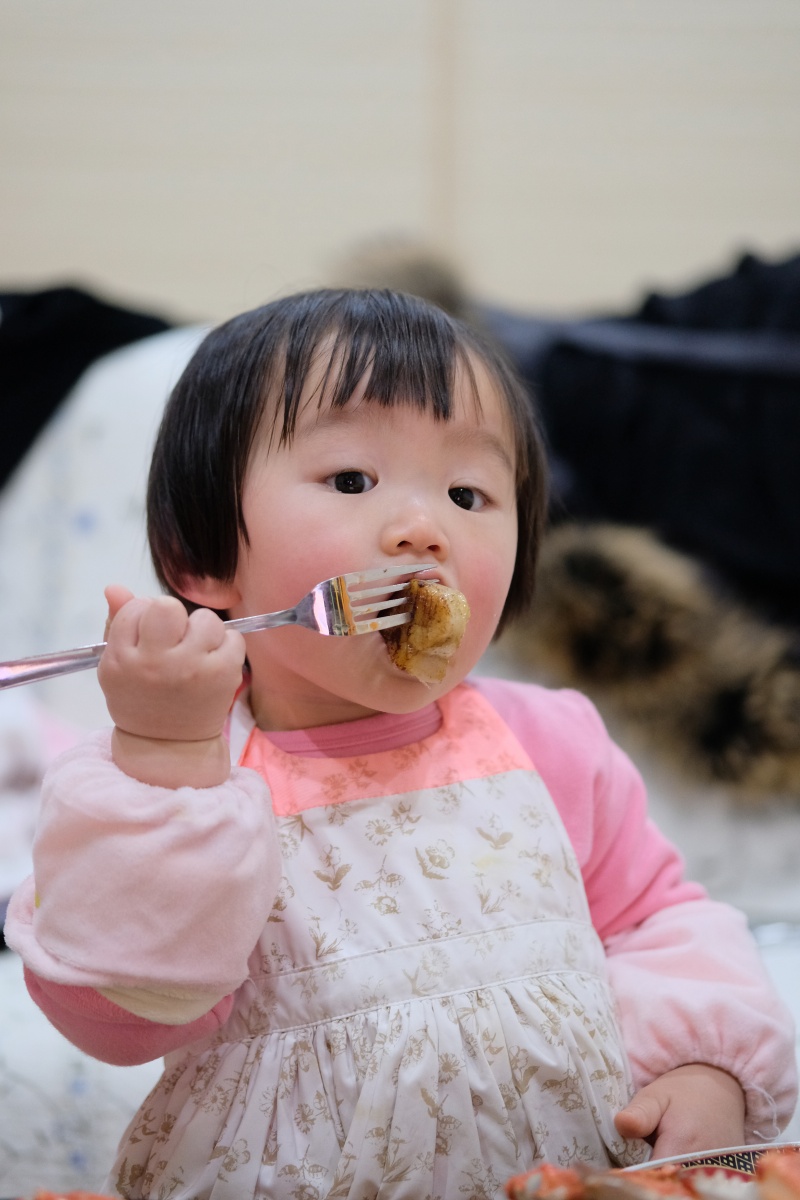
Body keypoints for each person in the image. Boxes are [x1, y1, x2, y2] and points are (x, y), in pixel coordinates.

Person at [4, 289, 796, 1200]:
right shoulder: (181, 769)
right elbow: (123, 1016)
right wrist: (169, 756)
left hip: (570, 1171)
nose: (427, 528)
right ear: (202, 557)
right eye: (351, 480)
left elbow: (658, 918)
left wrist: (707, 1066)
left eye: (469, 493)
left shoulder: (550, 741)